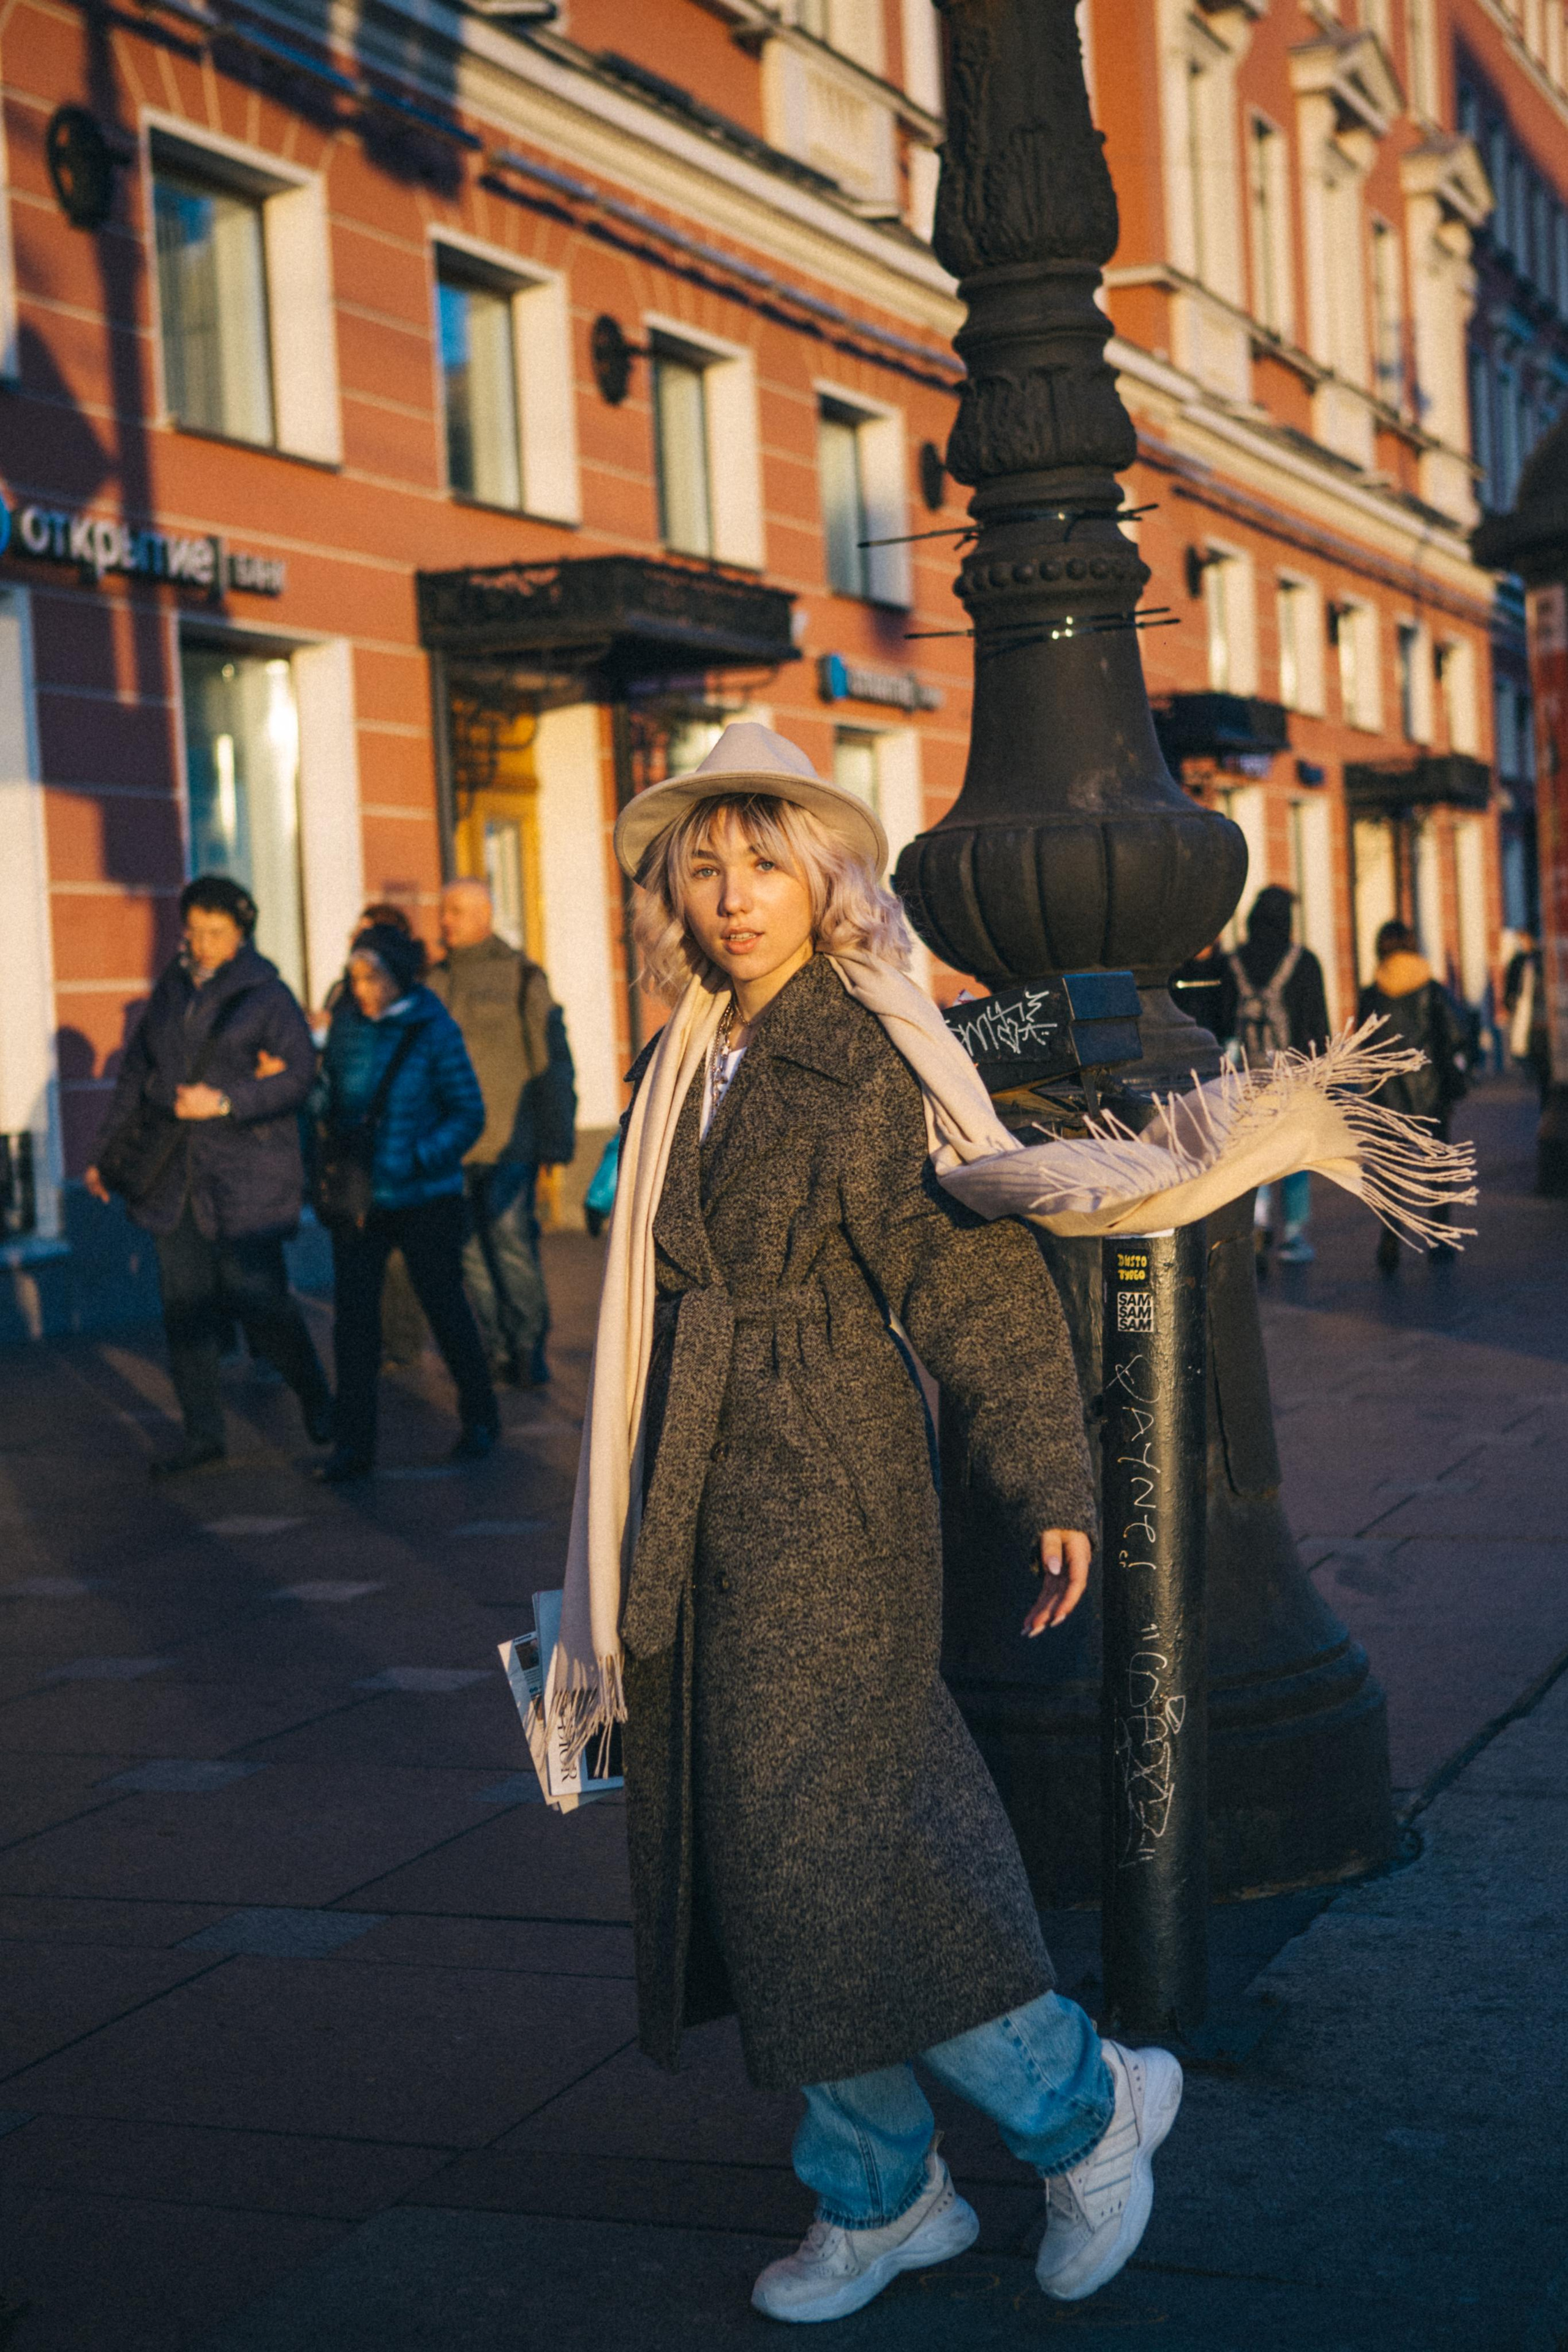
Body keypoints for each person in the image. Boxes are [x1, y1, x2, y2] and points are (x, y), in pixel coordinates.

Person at [551, 722, 1182, 2326]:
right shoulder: (692, 1049)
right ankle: (882, 2192)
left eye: (764, 859)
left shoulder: (858, 1046)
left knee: (835, 1846)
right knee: (777, 1865)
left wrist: (1044, 1475)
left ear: (822, 873)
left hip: (828, 1492)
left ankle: (1081, 2109)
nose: (733, 892)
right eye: (706, 866)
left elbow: (965, 1274)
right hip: (700, 1490)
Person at [86, 875, 333, 1476]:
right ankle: (203, 1435)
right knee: (184, 1310)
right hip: (176, 1182)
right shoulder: (168, 992)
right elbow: (134, 1077)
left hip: (245, 1179)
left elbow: (300, 1075)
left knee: (262, 1302)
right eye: (193, 930)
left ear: (240, 934)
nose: (201, 943)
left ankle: (317, 1400)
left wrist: (225, 1101)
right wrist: (104, 1153)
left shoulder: (267, 996)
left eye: (215, 932)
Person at [312, 923, 499, 1480]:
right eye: (355, 978)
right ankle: (354, 1447)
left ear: (398, 976)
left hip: (424, 1197)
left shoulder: (434, 1029)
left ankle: (480, 1417)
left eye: (374, 978)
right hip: (361, 1196)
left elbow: (469, 1113)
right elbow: (332, 1099)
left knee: (444, 1306)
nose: (363, 989)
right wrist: (308, 1092)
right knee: (354, 1325)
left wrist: (416, 1158)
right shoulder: (345, 1027)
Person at [427, 878, 576, 1388]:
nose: (444, 921)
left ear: (485, 914)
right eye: (444, 912)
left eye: (456, 911)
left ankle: (528, 1343)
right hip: (451, 1144)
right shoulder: (435, 982)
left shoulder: (521, 975)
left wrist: (556, 1137)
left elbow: (551, 1061)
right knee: (467, 1250)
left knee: (510, 1240)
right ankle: (493, 1345)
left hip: (512, 1139)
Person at [1217, 884, 1331, 1268]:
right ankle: (1294, 1235)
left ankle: (1257, 1222)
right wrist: (1323, 1073)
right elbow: (1318, 1022)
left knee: (1252, 1153)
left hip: (1243, 1076)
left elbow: (1219, 1023)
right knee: (1295, 1155)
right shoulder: (1304, 961)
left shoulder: (1232, 963)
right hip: (1293, 1073)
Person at [1358, 919, 1471, 1273]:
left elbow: (1363, 1044)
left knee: (1392, 1171)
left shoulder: (1372, 992)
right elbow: (1456, 1032)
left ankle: (1390, 1242)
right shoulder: (1430, 987)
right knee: (1437, 1167)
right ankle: (1439, 1238)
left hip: (1387, 1095)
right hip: (1431, 1091)